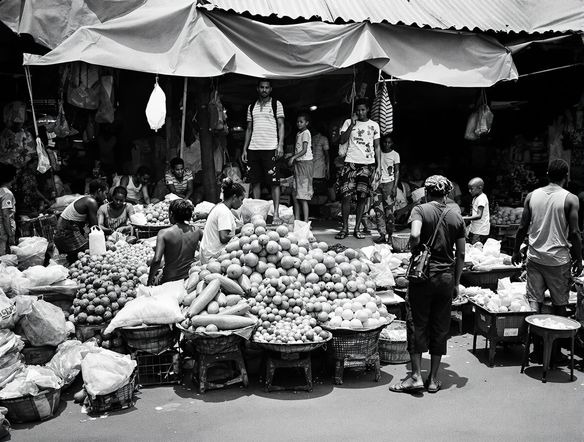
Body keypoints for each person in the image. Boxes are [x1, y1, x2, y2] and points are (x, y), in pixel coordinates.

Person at [389, 175, 465, 394]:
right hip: (446, 277)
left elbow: (414, 234)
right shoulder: (456, 215)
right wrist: (456, 282)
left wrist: (416, 249)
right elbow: (460, 253)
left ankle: (415, 377)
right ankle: (432, 379)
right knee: (440, 325)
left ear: (426, 192)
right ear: (447, 193)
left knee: (417, 322)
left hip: (423, 276)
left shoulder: (420, 210)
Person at [512, 160, 582, 361]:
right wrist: (579, 258)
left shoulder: (532, 196)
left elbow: (522, 227)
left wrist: (516, 251)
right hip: (558, 260)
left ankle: (535, 349)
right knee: (560, 304)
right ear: (566, 176)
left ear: (547, 174)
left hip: (535, 258)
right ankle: (556, 351)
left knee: (535, 302)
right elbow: (575, 233)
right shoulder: (570, 199)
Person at [335, 98, 381, 240]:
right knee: (346, 196)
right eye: (358, 110)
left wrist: (378, 166)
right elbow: (342, 140)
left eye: (363, 110)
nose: (360, 112)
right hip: (351, 163)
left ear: (367, 110)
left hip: (367, 164)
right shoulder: (348, 122)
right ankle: (345, 228)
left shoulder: (374, 125)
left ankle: (357, 229)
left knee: (362, 198)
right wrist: (352, 125)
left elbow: (377, 146)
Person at [241, 79, 285, 224]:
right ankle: (258, 215)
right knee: (255, 183)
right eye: (262, 87)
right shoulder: (251, 106)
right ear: (258, 89)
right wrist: (245, 149)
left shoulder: (276, 104)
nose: (264, 90)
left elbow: (281, 125)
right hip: (254, 148)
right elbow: (248, 129)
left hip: (271, 148)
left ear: (270, 89)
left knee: (274, 183)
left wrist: (280, 145)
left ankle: (276, 214)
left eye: (267, 87)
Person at [147, 199, 202, 285]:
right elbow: (206, 247)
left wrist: (149, 281)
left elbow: (157, 260)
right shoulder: (197, 231)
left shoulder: (163, 233)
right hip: (188, 278)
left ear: (171, 214)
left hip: (169, 280)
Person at [53, 179, 108, 263]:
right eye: (105, 193)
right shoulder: (91, 202)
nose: (106, 197)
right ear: (99, 191)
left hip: (62, 235)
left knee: (80, 257)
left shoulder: (86, 198)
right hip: (66, 235)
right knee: (89, 254)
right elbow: (95, 228)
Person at [200, 179, 245, 264]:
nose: (242, 203)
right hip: (213, 257)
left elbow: (226, 231)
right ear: (234, 197)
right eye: (241, 199)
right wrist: (241, 235)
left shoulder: (220, 206)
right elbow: (223, 238)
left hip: (208, 253)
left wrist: (241, 229)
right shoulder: (224, 212)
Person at [372, 135, 400, 243]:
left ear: (392, 143)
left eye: (389, 142)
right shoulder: (378, 153)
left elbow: (397, 171)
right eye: (385, 142)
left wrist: (395, 186)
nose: (386, 144)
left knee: (390, 211)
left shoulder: (395, 155)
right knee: (379, 210)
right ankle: (382, 234)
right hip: (378, 183)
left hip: (389, 183)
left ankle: (390, 234)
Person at [288, 113, 313, 223]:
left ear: (307, 123)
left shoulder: (306, 133)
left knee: (303, 196)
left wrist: (293, 157)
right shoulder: (299, 133)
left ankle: (306, 221)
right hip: (299, 164)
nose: (299, 123)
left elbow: (304, 150)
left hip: (305, 164)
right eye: (298, 122)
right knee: (296, 194)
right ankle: (297, 220)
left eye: (301, 122)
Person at [463, 177, 490, 244]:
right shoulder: (475, 198)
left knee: (475, 251)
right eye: (469, 189)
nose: (469, 191)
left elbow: (479, 215)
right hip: (475, 229)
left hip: (480, 231)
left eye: (471, 189)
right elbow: (474, 213)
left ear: (480, 187)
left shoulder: (482, 198)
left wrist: (464, 218)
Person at [0, 163, 17, 255]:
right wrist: (10, 235)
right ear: (13, 177)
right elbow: (5, 215)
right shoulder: (7, 194)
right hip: (3, 231)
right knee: (3, 256)